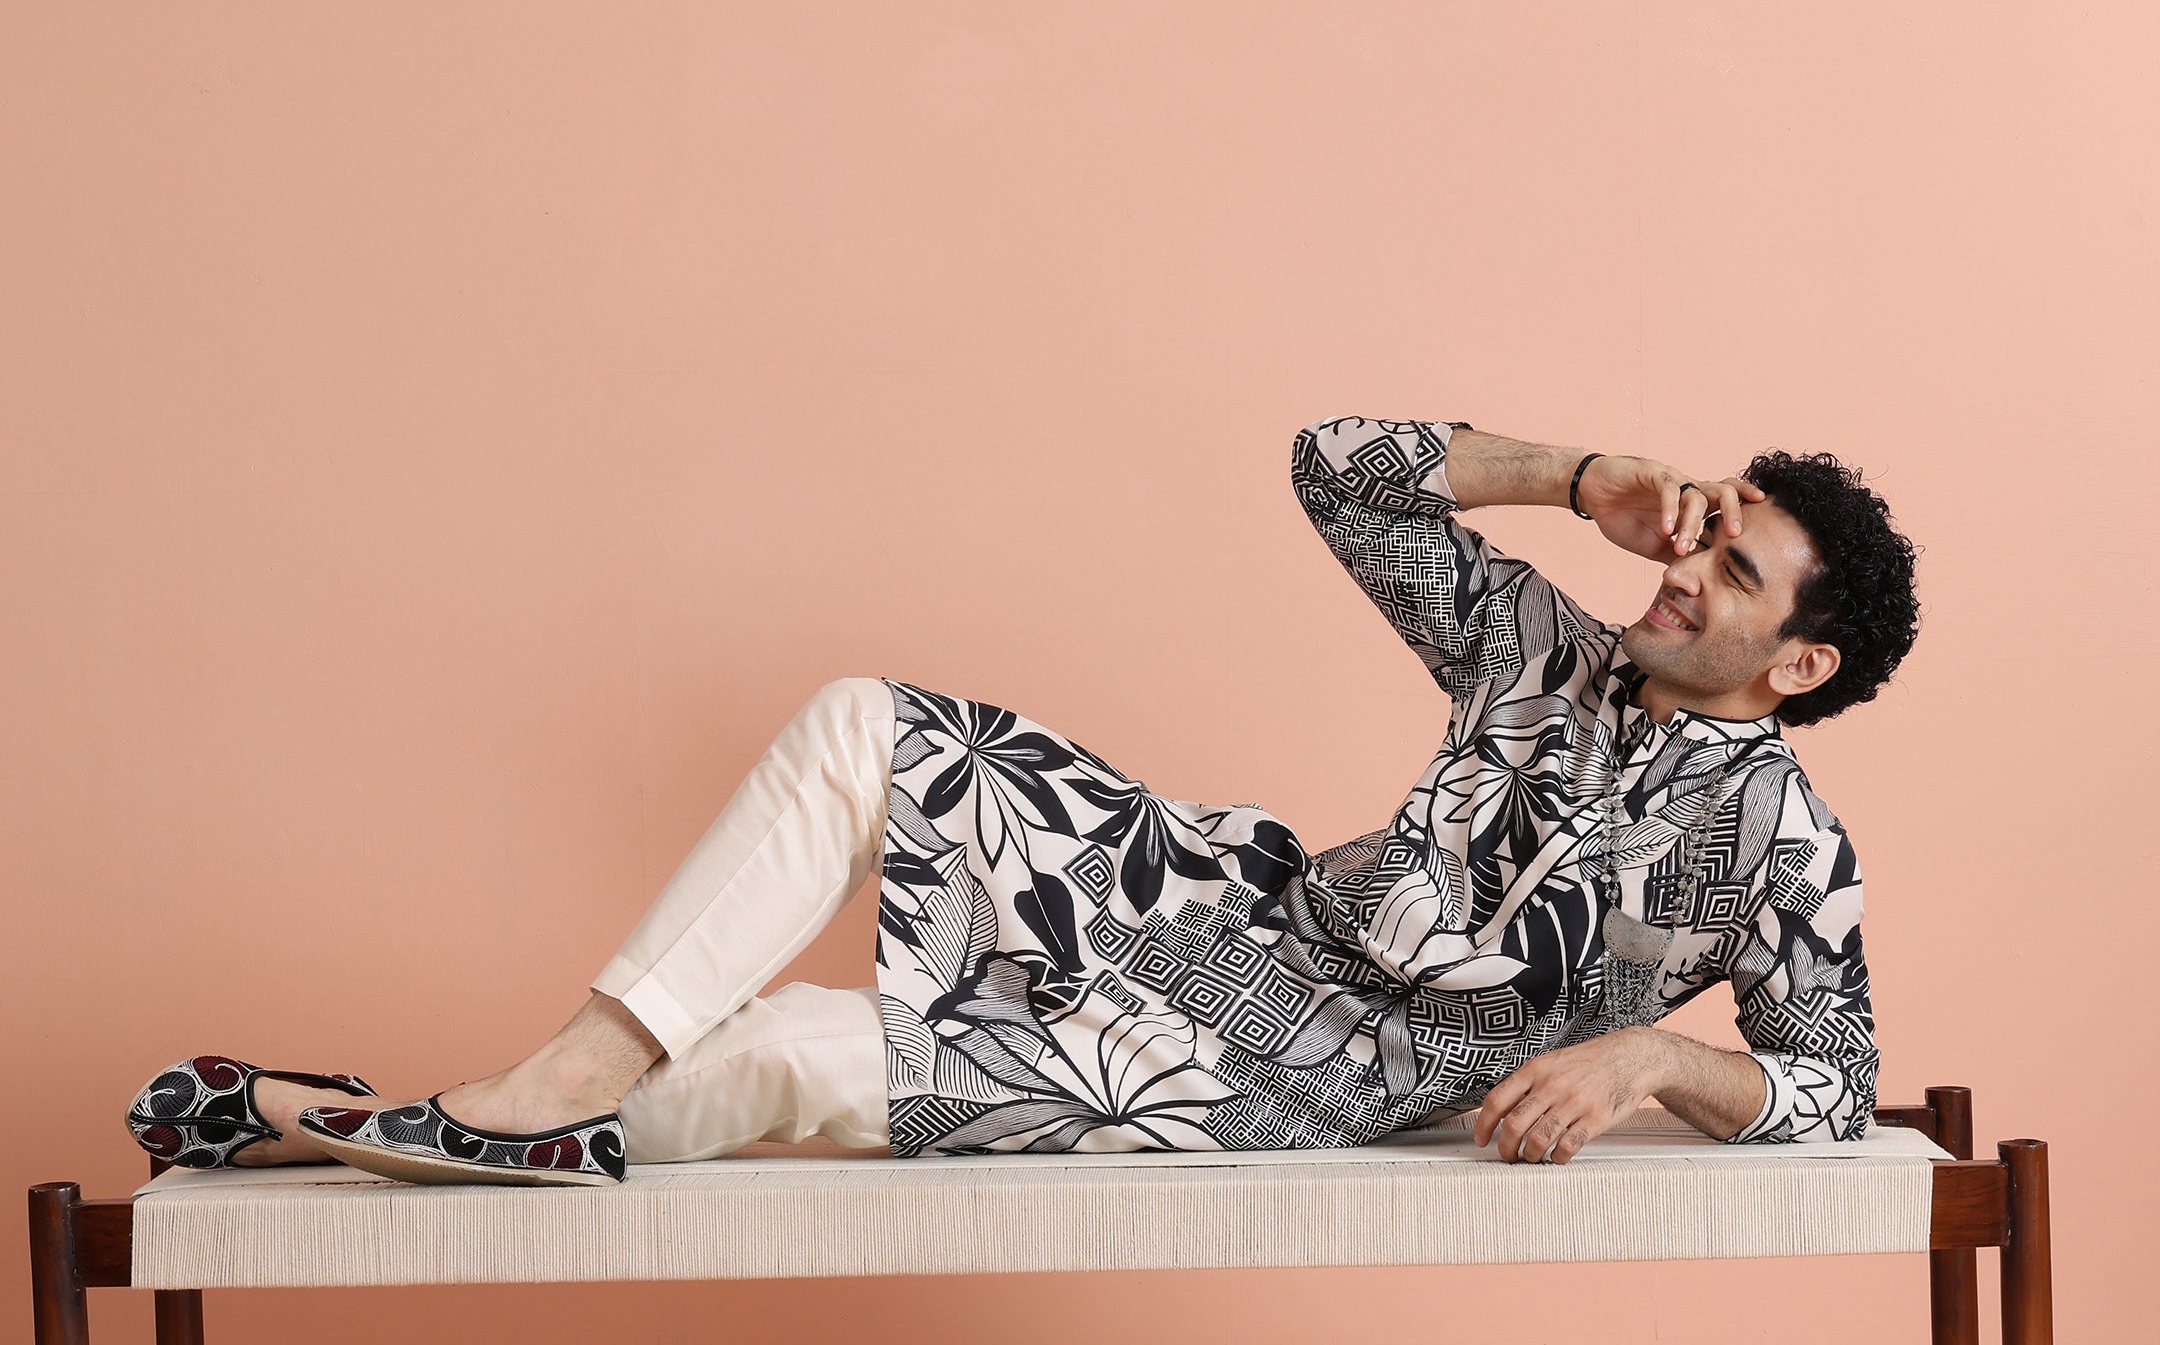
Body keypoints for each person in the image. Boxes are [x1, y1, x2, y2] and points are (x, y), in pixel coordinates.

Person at [126, 418, 1919, 1187]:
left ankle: (375, 1128)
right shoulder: (1539, 649)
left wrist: (1654, 1059)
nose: (1683, 571)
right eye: (1703, 536)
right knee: (863, 720)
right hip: (1200, 902)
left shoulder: (1782, 850)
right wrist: (1581, 477)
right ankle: (550, 1092)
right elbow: (1336, 471)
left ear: (1803, 664)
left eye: (1732, 574)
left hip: (1266, 1079)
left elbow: (1834, 1088)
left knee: (793, 1057)